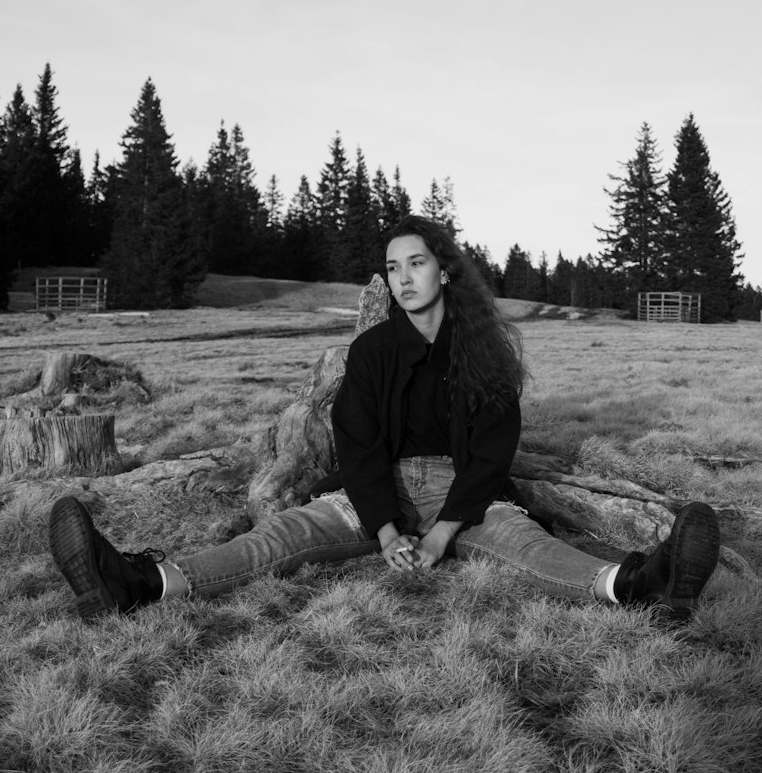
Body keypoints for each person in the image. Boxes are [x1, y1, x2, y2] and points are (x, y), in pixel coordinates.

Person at [48, 216, 720, 624]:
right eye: (392, 267)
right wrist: (390, 530)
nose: (402, 277)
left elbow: (492, 454)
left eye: (416, 263)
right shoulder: (370, 351)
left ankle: (642, 584)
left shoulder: (485, 351)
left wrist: (440, 536)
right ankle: (136, 584)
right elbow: (357, 445)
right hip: (375, 493)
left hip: (467, 496)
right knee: (279, 536)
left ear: (445, 272)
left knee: (537, 552)